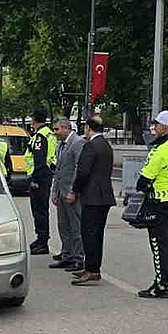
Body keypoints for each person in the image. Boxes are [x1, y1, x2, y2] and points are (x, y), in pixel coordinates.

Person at [136, 110, 168, 298]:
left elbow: (143, 181)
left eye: (156, 124)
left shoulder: (159, 151)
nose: (153, 127)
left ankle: (161, 285)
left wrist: (145, 186)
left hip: (160, 203)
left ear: (165, 127)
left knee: (159, 245)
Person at [70, 115, 116, 285]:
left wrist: (75, 190)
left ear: (89, 127)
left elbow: (83, 172)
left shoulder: (90, 146)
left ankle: (91, 270)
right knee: (97, 234)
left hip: (92, 195)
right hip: (105, 195)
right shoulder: (106, 145)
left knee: (88, 232)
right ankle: (93, 267)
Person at [49, 118, 86, 272]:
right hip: (61, 192)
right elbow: (59, 170)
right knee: (63, 226)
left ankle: (78, 258)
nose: (54, 133)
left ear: (65, 128)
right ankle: (67, 255)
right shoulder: (60, 145)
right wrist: (54, 191)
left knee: (75, 227)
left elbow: (79, 168)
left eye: (57, 129)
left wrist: (73, 190)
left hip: (72, 193)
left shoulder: (77, 143)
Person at [25, 108, 57, 254]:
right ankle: (41, 239)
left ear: (34, 119)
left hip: (40, 177)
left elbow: (39, 159)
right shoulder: (48, 133)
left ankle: (43, 242)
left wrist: (34, 179)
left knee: (39, 210)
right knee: (40, 209)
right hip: (45, 175)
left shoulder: (40, 136)